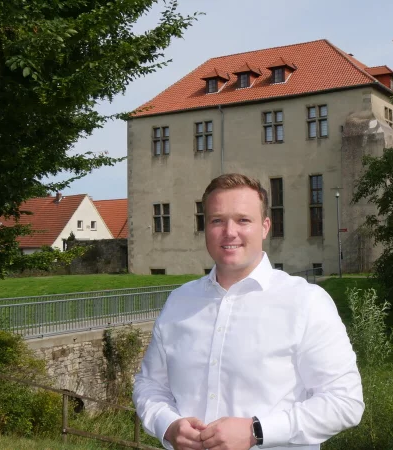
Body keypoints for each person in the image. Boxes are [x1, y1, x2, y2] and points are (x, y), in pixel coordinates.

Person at [133, 173, 364, 450]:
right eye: (217, 220)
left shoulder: (305, 302)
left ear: (265, 226)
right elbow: (149, 385)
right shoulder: (179, 302)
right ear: (205, 227)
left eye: (243, 220)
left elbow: (345, 402)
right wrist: (167, 425)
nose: (230, 232)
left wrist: (257, 431)